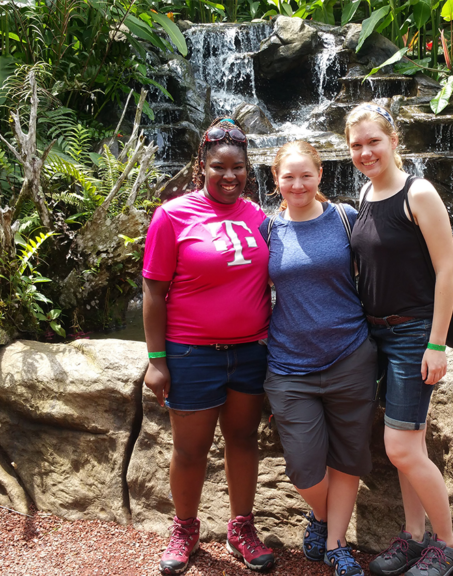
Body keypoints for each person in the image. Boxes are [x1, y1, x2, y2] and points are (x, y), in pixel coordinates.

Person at [141, 118, 276, 576]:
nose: (229, 176)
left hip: (251, 353)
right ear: (202, 166)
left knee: (242, 440)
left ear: (247, 170)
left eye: (237, 167)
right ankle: (185, 528)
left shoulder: (259, 216)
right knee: (190, 450)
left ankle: (241, 528)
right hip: (191, 353)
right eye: (219, 167)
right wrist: (156, 360)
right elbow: (154, 293)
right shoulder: (172, 215)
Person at [345, 103, 453, 576]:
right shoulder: (367, 192)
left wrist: (435, 344)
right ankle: (413, 537)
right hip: (376, 332)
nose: (365, 151)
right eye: (356, 145)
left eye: (373, 141)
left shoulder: (420, 193)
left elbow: (447, 269)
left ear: (394, 141)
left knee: (400, 447)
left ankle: (449, 545)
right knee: (407, 447)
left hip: (413, 333)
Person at [260, 141, 377, 576]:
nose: (297, 184)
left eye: (305, 175)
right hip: (289, 366)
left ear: (320, 175)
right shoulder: (269, 231)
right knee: (304, 470)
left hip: (350, 355)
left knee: (348, 457)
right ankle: (323, 516)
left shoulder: (346, 219)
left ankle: (335, 545)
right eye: (288, 177)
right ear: (275, 181)